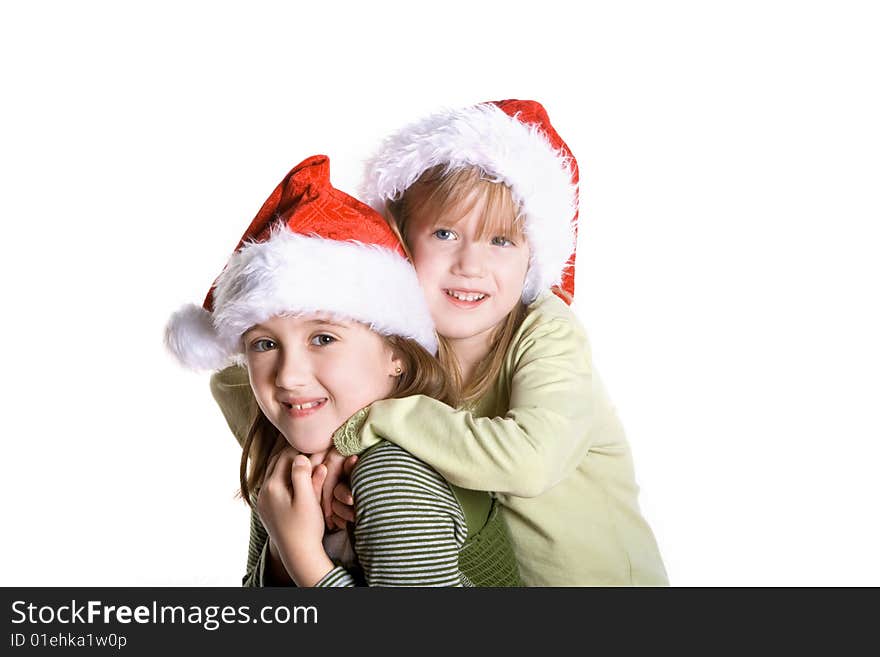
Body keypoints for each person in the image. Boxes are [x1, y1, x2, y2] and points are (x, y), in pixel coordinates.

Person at [213, 100, 668, 585]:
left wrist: (365, 424)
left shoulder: (544, 330)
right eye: (446, 233)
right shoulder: (395, 335)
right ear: (403, 242)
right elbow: (231, 378)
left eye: (501, 241)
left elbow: (531, 462)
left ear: (532, 257)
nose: (470, 264)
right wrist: (307, 450)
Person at [166, 154, 521, 587]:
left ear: (399, 356)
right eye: (265, 344)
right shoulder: (283, 461)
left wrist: (304, 560)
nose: (288, 376)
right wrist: (279, 550)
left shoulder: (392, 475)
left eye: (323, 339)